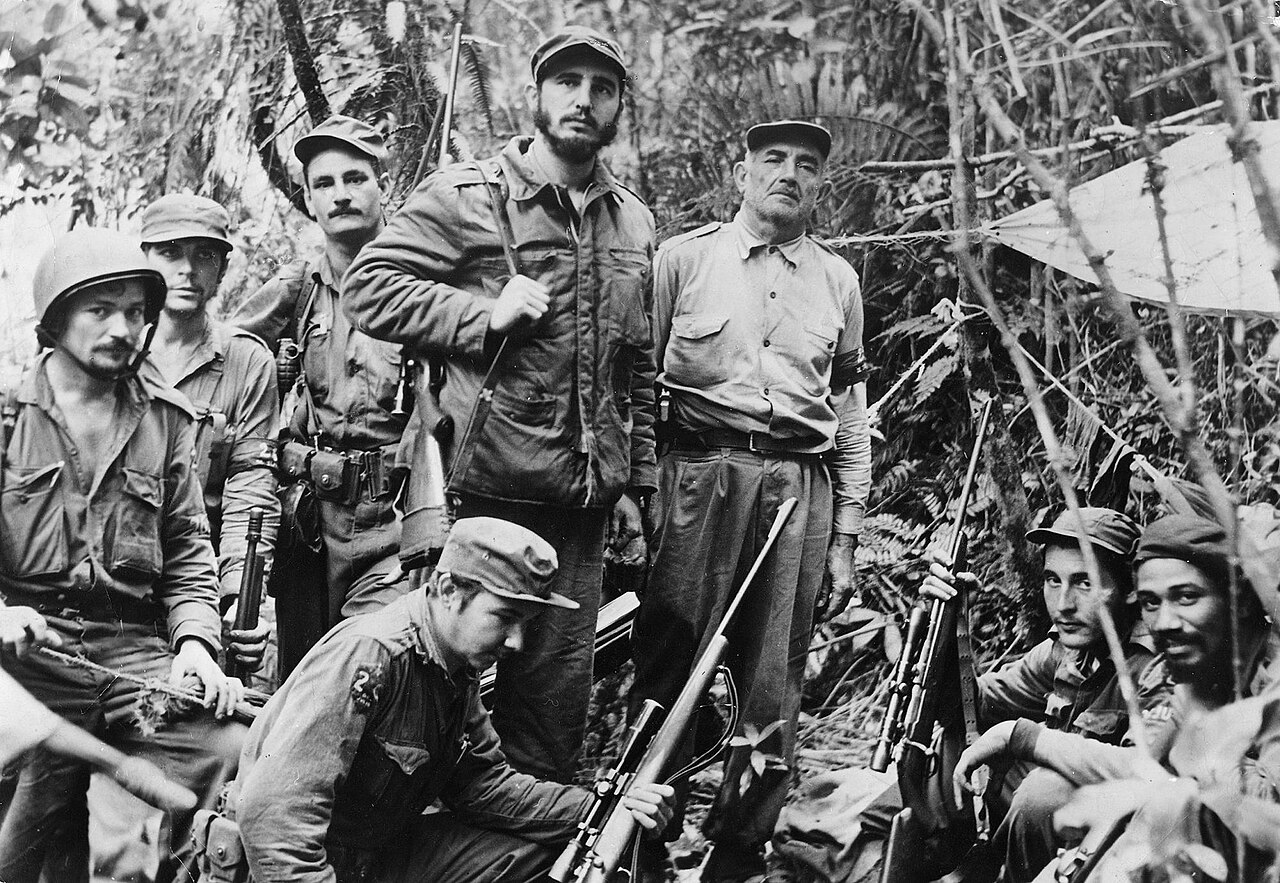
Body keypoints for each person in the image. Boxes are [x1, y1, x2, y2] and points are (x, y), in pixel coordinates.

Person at [342, 25, 656, 783]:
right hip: (487, 498)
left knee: (552, 723)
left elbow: (634, 365)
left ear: (617, 107)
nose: (583, 100)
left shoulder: (635, 221)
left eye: (602, 88)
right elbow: (368, 288)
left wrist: (635, 483)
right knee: (443, 705)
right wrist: (481, 314)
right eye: (567, 83)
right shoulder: (467, 195)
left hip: (579, 514)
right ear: (538, 95)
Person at [626, 119, 872, 882]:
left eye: (806, 165)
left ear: (821, 184)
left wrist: (848, 532)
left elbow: (852, 411)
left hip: (798, 486)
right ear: (742, 173)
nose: (787, 175)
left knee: (773, 681)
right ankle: (641, 839)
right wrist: (638, 495)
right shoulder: (683, 259)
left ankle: (737, 849)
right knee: (671, 664)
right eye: (771, 160)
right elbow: (638, 385)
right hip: (697, 474)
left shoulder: (839, 282)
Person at [0, 228, 246, 883]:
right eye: (101, 309)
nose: (124, 328)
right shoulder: (7, 415)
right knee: (28, 824)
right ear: (56, 320)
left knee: (228, 749)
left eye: (137, 312)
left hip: (127, 651)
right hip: (25, 654)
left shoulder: (164, 418)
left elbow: (190, 547)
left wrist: (195, 641)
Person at [235, 516, 674, 883]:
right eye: (504, 617)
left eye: (526, 623)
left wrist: (613, 807)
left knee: (547, 857)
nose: (517, 642)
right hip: (303, 867)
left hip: (375, 856)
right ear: (447, 590)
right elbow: (276, 824)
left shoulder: (456, 663)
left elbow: (483, 787)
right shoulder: (370, 655)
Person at [837, 507, 1165, 883]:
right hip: (1039, 823)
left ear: (1129, 591)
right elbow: (973, 710)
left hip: (1098, 839)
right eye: (1052, 581)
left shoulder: (1154, 666)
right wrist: (947, 626)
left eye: (1085, 583)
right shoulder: (1065, 651)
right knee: (896, 803)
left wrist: (1024, 739)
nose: (1063, 604)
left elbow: (1147, 780)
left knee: (1039, 795)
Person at [953, 513, 1280, 881]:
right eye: (1152, 603)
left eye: (1187, 597)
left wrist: (1026, 737)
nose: (1166, 621)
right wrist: (952, 633)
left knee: (1045, 795)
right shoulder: (1184, 661)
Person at [231, 115, 411, 679]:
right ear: (308, 200)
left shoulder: (422, 279)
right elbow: (226, 355)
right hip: (311, 524)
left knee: (372, 672)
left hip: (396, 520)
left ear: (382, 185)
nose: (341, 194)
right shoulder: (297, 289)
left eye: (355, 178)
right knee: (302, 680)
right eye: (324, 184)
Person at [141, 193, 278, 673]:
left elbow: (251, 489)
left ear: (222, 269)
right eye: (171, 252)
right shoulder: (111, 354)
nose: (187, 269)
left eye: (204, 255)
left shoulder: (246, 360)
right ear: (144, 262)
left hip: (207, 570)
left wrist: (241, 595)